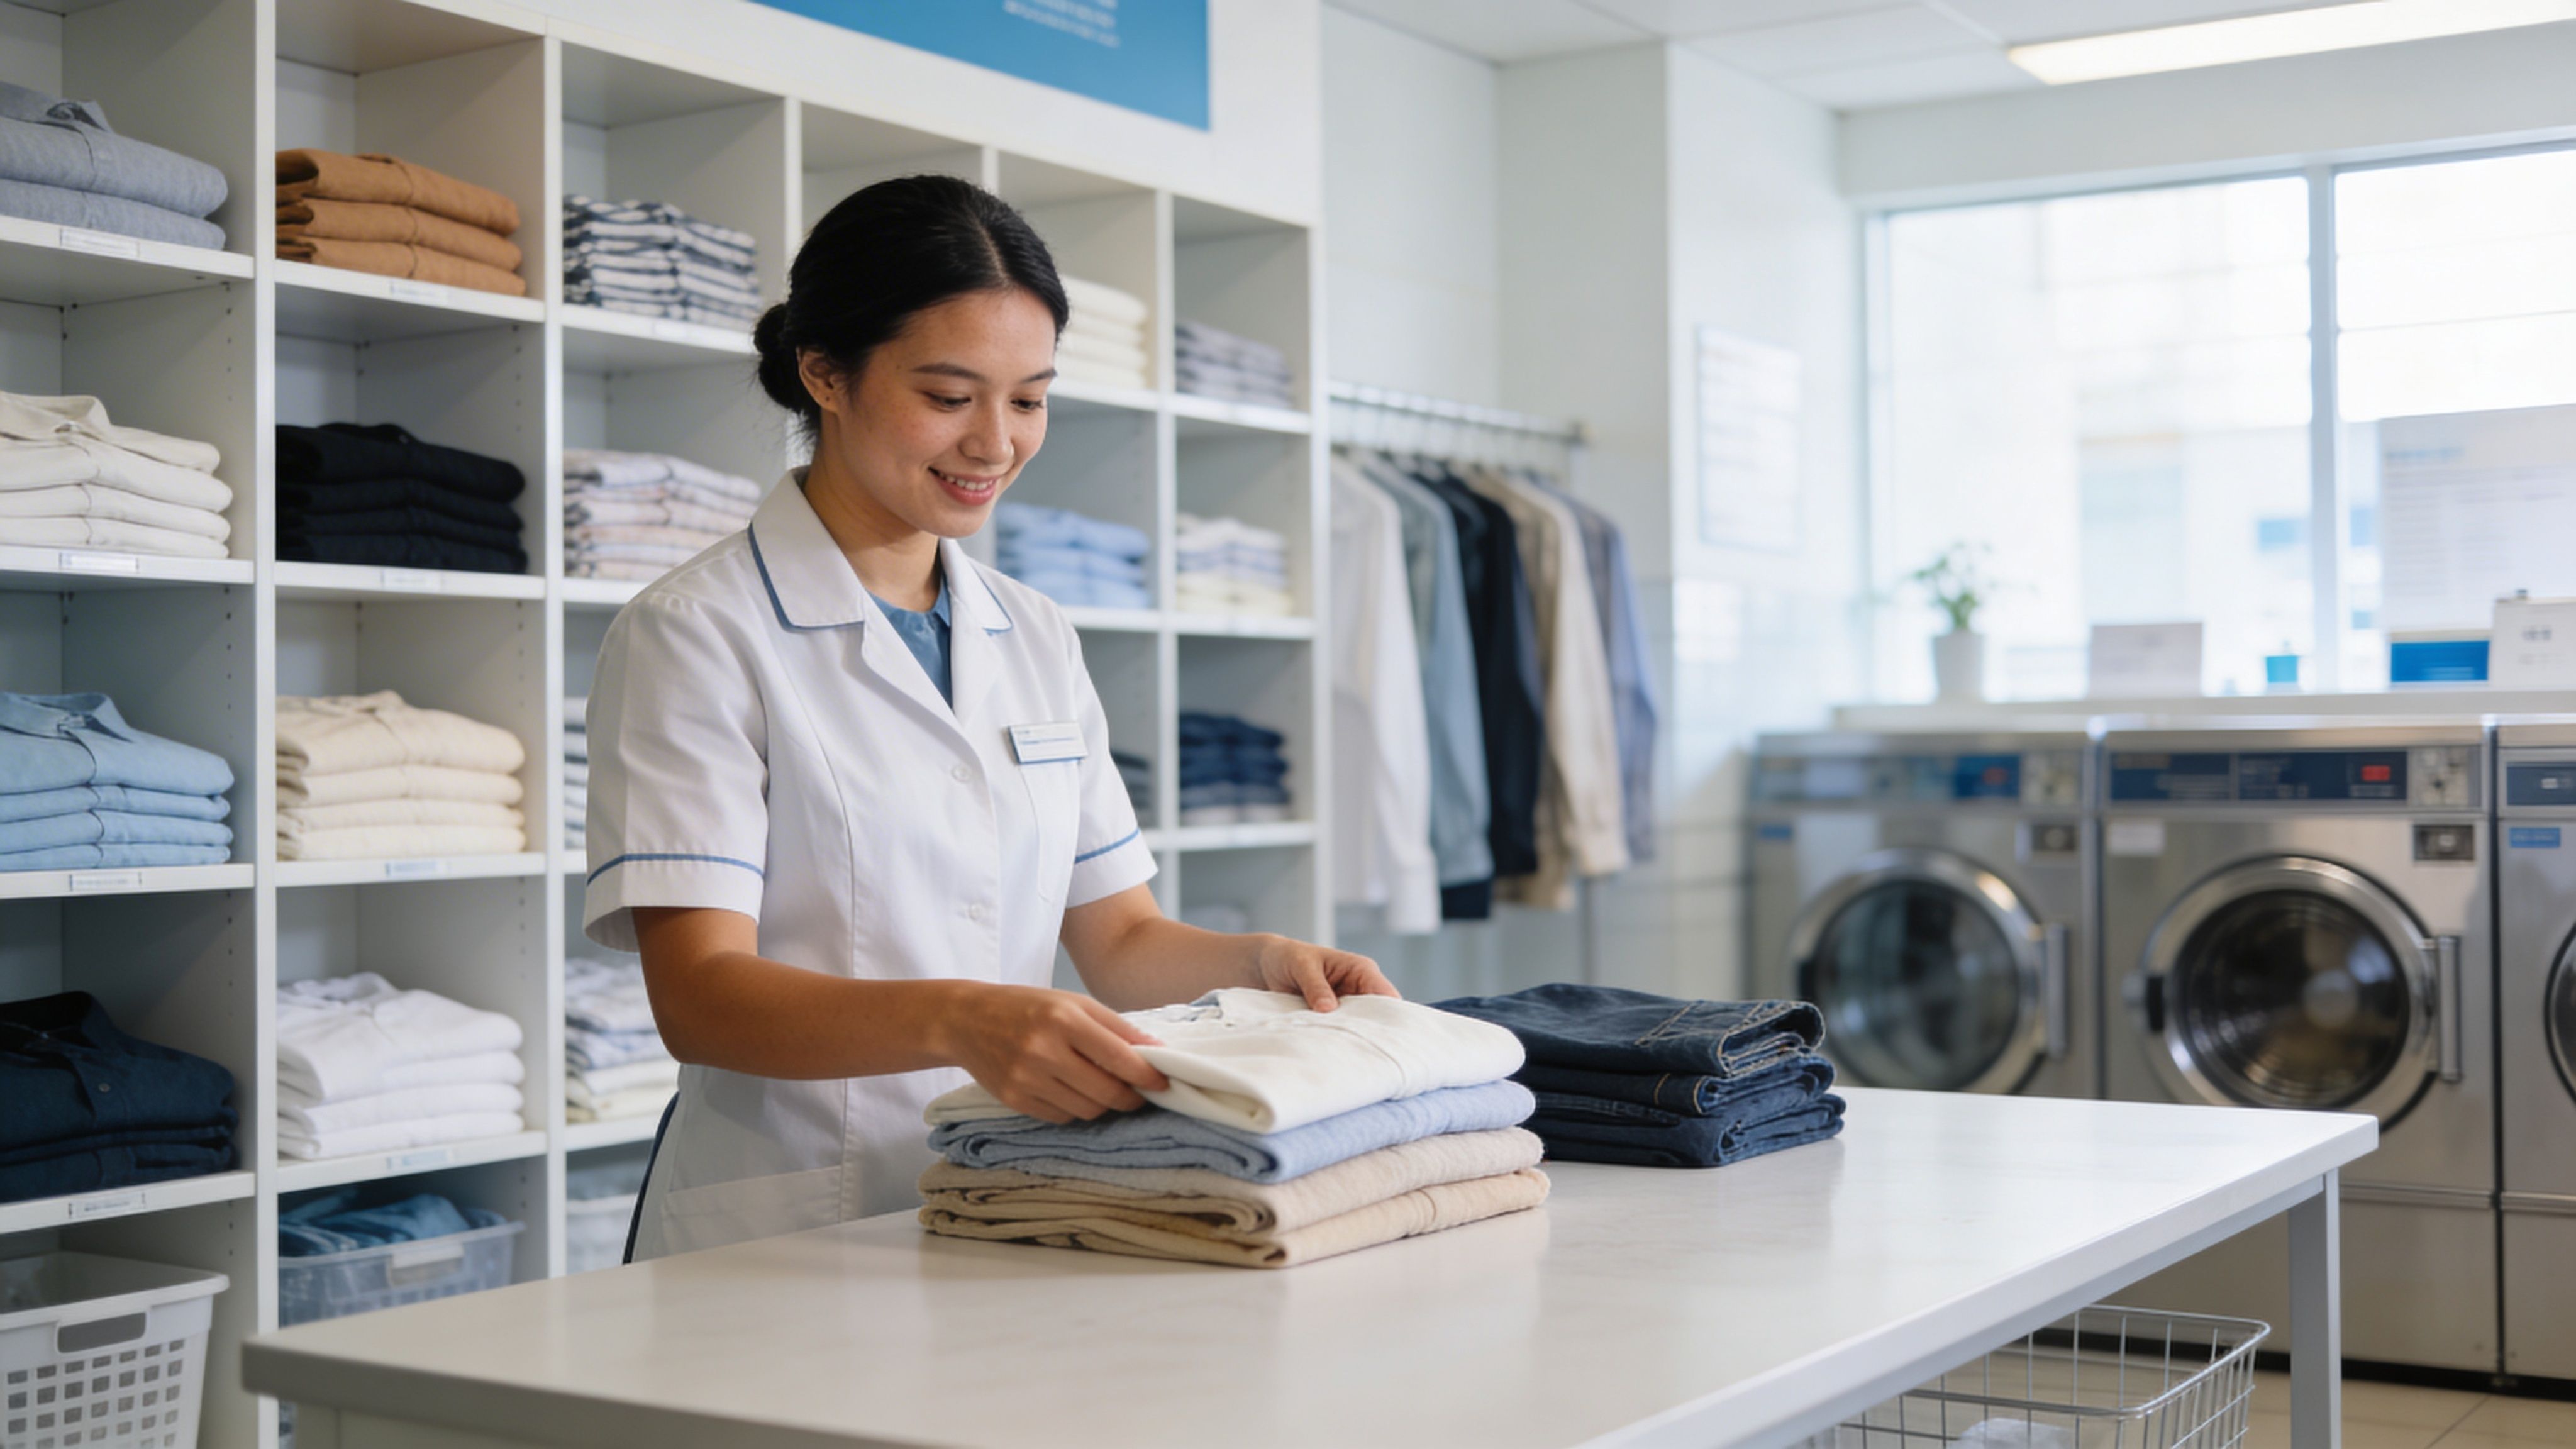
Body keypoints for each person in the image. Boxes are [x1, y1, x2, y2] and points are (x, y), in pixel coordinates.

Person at [582, 175, 1396, 1260]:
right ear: (825, 373)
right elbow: (703, 999)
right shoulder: (694, 632)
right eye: (951, 395)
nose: (996, 443)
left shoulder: (1037, 634)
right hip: (783, 1218)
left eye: (1029, 398)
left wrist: (1262, 962)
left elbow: (1121, 939)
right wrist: (963, 1018)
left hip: (1006, 1196)